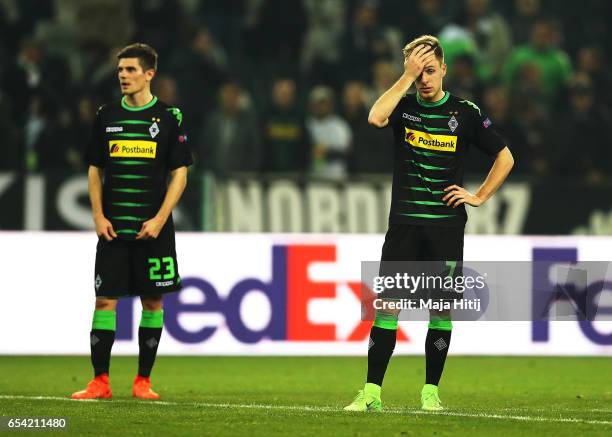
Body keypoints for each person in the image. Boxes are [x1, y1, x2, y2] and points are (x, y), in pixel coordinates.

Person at [343, 35, 513, 412]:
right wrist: (405, 77)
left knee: (440, 309)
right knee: (387, 307)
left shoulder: (465, 113)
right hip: (404, 224)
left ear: (444, 69)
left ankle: (430, 393)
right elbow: (375, 117)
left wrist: (480, 195)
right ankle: (371, 393)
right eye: (418, 72)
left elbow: (505, 157)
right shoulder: (402, 108)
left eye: (430, 70)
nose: (424, 78)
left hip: (445, 227)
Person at [71, 43, 193, 400]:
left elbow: (180, 174)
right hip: (113, 227)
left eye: (130, 70)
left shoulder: (170, 117)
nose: (122, 75)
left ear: (149, 74)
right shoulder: (106, 115)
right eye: (120, 70)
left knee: (152, 303)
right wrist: (97, 215)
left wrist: (159, 219)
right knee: (104, 301)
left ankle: (143, 381)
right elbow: (95, 169)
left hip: (152, 229)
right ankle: (100, 382)